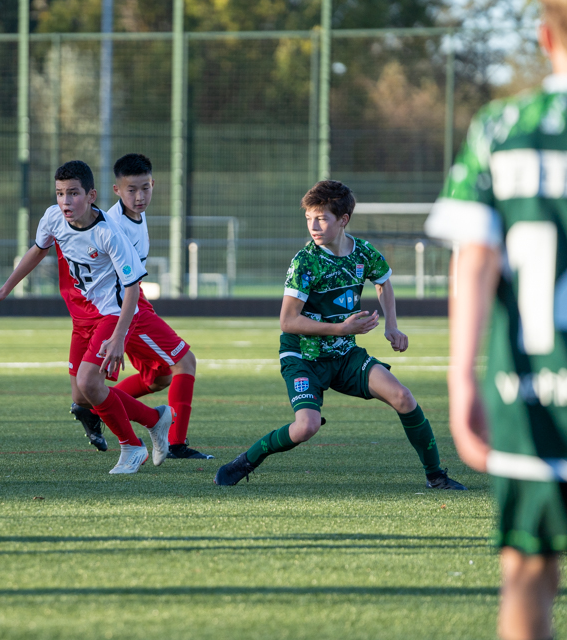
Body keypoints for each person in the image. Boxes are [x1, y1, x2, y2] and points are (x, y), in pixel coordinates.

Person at [425, 6, 567, 637]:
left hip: (531, 394)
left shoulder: (504, 127)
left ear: (544, 36)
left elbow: (475, 259)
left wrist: (462, 381)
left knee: (528, 575)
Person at [215, 180, 466, 491]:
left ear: (343, 220)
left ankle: (436, 476)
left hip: (345, 355)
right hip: (304, 356)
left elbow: (384, 281)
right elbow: (288, 321)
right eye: (309, 218)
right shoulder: (305, 261)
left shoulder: (362, 253)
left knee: (403, 397)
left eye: (321, 218)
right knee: (306, 427)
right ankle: (246, 460)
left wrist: (392, 326)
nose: (313, 225)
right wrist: (342, 329)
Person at [0, 160, 173, 474]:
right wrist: (4, 289)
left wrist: (119, 339)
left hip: (111, 314)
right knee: (83, 397)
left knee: (89, 381)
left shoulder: (110, 234)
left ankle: (131, 447)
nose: (65, 202)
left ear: (92, 195)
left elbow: (133, 289)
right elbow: (38, 250)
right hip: (81, 316)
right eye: (59, 194)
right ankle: (155, 419)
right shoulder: (54, 217)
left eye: (73, 194)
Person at [70, 153, 210, 459]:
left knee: (158, 377)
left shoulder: (135, 214)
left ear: (153, 184)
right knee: (185, 362)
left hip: (130, 301)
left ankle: (98, 404)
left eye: (145, 188)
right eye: (131, 190)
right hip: (125, 307)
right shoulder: (114, 225)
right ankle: (175, 445)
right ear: (117, 190)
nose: (139, 196)